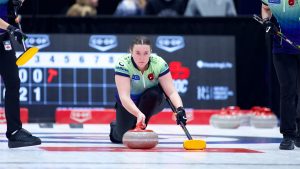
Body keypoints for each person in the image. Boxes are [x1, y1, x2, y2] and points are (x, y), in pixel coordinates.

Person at [109, 36, 187, 143]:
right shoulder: (123, 64)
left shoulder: (159, 64)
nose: (142, 58)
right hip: (129, 102)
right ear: (131, 52)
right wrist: (138, 114)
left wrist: (180, 109)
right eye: (137, 53)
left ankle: (140, 128)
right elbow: (124, 97)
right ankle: (115, 127)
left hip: (152, 100)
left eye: (146, 53)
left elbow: (171, 92)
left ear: (150, 52)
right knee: (121, 138)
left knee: (154, 94)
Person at [0, 0, 41, 148]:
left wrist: (12, 15)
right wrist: (12, 28)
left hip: (3, 39)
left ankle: (14, 132)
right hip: (5, 33)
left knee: (13, 82)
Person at [261, 0, 300, 150]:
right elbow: (265, 8)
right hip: (282, 49)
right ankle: (288, 135)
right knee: (287, 91)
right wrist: (266, 22)